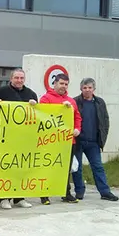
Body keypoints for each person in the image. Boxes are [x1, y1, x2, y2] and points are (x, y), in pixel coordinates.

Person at [0, 68, 37, 209]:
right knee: (4, 167)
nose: (19, 80)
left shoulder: (31, 94)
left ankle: (19, 197)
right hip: (4, 136)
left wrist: (35, 106)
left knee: (21, 167)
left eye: (21, 78)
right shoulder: (0, 92)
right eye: (16, 78)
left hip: (23, 138)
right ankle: (3, 198)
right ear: (11, 78)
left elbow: (37, 115)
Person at [72, 78, 118, 202]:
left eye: (89, 87)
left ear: (94, 89)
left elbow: (105, 120)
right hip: (78, 141)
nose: (87, 90)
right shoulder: (74, 102)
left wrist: (102, 136)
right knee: (77, 168)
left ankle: (105, 192)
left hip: (93, 142)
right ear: (81, 89)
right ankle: (79, 191)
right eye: (85, 87)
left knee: (98, 166)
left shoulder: (100, 102)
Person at [39, 73, 82, 205]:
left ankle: (66, 193)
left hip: (68, 141)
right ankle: (44, 194)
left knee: (65, 169)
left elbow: (77, 117)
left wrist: (77, 129)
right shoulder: (46, 98)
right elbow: (42, 116)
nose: (63, 86)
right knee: (48, 167)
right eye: (61, 83)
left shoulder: (72, 101)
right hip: (51, 140)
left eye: (65, 84)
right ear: (55, 83)